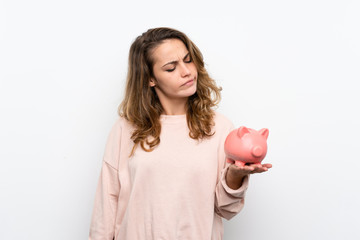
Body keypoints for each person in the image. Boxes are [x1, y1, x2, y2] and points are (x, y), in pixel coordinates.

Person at [89, 27, 272, 240]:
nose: (186, 71)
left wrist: (235, 175)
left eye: (188, 60)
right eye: (170, 68)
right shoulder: (126, 128)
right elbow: (107, 202)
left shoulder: (219, 127)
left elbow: (226, 209)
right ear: (150, 78)